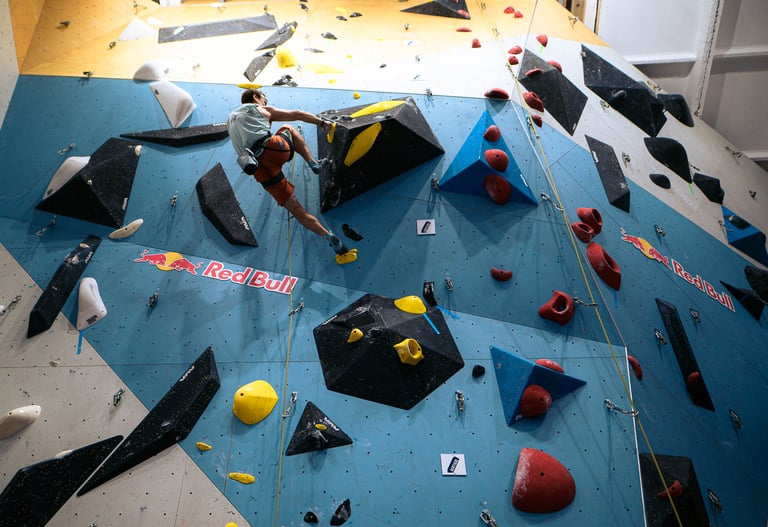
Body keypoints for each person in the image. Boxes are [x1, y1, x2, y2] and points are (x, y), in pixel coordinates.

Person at [228, 88, 353, 261]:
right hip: (274, 149)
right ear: (256, 97)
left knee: (298, 211)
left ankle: (331, 238)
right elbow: (298, 113)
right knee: (288, 127)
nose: (265, 102)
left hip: (259, 170)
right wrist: (322, 123)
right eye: (264, 98)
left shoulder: (231, 121)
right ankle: (313, 163)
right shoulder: (260, 109)